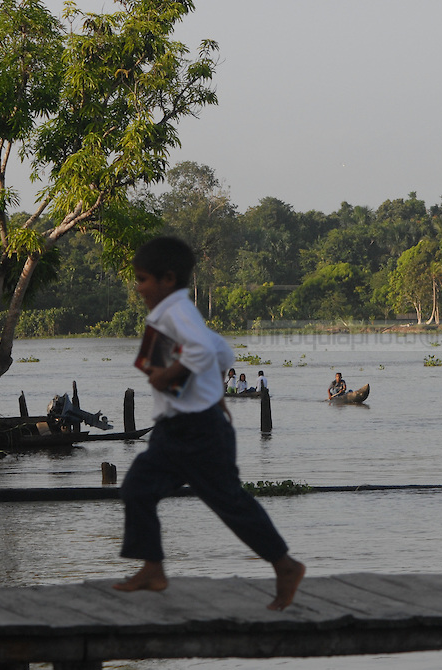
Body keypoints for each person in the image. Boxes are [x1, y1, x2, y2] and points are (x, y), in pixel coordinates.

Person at [114, 236, 305, 611]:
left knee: (229, 502)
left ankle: (285, 565)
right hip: (176, 429)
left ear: (167, 278)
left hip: (198, 431)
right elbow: (221, 350)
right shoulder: (176, 311)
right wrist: (214, 392)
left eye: (142, 279)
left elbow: (202, 349)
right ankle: (153, 567)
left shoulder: (174, 311)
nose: (138, 288)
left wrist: (169, 372)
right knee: (137, 488)